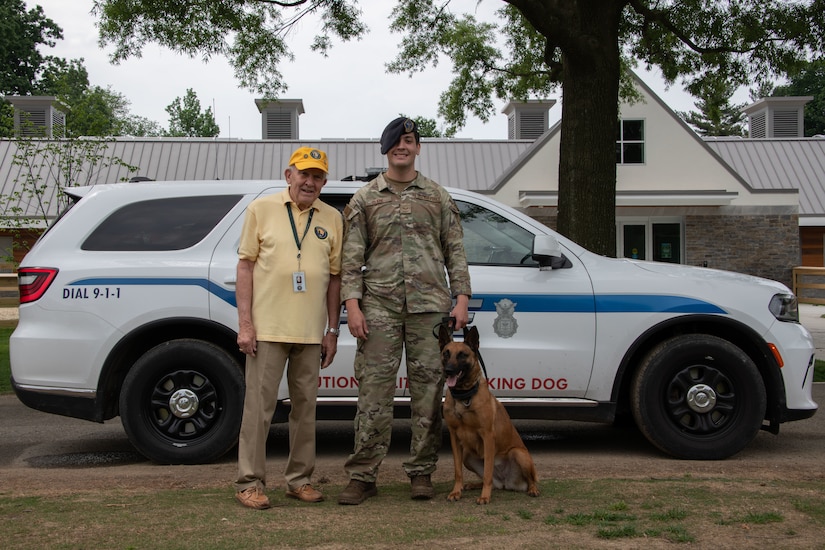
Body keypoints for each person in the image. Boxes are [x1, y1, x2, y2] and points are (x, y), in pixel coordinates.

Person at [338, 117, 472, 505]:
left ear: (418, 148)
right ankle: (363, 475)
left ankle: (421, 472)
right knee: (373, 393)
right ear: (386, 148)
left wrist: (461, 296)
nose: (403, 146)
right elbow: (351, 258)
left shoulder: (437, 196)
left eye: (409, 140)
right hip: (378, 305)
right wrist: (353, 305)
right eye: (396, 141)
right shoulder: (365, 199)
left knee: (429, 393)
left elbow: (455, 250)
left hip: (430, 309)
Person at [233, 146, 343, 509]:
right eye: (304, 174)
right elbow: (245, 267)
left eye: (317, 176)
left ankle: (299, 480)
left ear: (325, 182)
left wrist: (331, 331)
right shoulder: (261, 210)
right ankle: (250, 483)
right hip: (267, 331)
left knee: (305, 410)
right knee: (258, 410)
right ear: (288, 175)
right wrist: (245, 324)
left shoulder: (332, 218)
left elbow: (335, 278)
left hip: (310, 334)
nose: (310, 182)